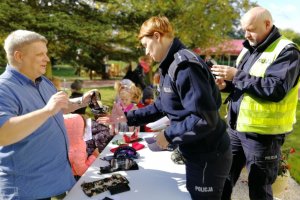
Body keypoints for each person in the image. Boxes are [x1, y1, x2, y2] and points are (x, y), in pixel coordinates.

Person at [124, 16, 232, 199]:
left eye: (145, 44)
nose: (145, 51)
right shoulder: (169, 64)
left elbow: (204, 118)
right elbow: (161, 105)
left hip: (208, 154)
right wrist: (128, 118)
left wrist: (168, 135)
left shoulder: (185, 66)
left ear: (157, 36)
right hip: (197, 150)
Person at [211, 7, 300, 200]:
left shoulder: (287, 51)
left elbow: (275, 89)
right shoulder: (248, 49)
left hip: (263, 137)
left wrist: (237, 75)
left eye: (250, 29)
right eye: (244, 29)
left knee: (259, 190)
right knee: (221, 178)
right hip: (235, 128)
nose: (246, 34)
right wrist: (225, 84)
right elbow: (244, 84)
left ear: (267, 24)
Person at [0, 30, 96, 200]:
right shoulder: (3, 88)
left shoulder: (43, 81)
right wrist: (47, 111)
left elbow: (59, 107)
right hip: (26, 190)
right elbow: (4, 134)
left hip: (53, 181)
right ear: (19, 56)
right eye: (40, 54)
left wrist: (82, 101)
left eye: (46, 53)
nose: (47, 59)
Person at [63, 113, 99, 180]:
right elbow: (82, 171)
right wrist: (94, 156)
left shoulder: (60, 145)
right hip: (73, 178)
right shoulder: (77, 149)